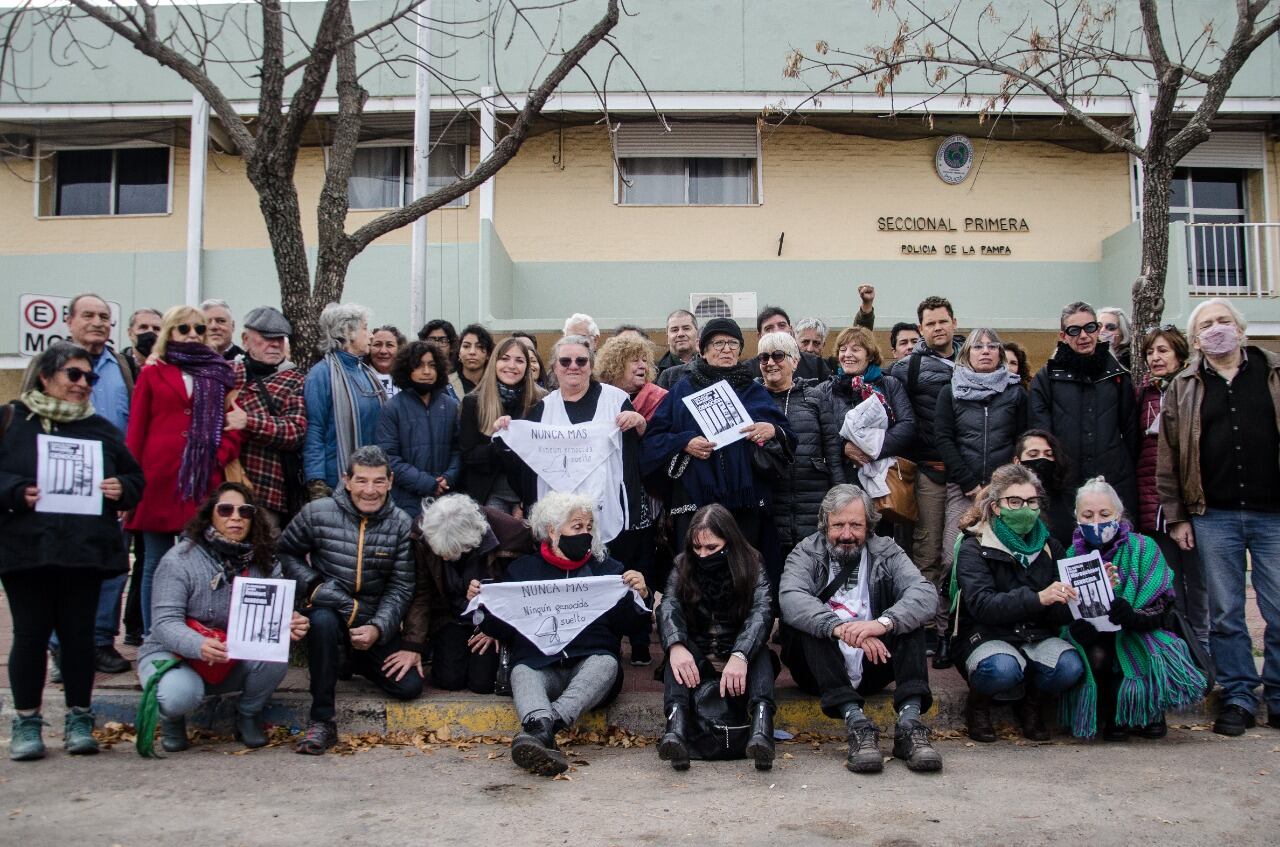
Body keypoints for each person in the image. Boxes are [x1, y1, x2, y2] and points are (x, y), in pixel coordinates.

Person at [1, 343, 145, 761]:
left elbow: (134, 477)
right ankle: (27, 720)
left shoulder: (99, 429)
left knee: (78, 639)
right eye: (74, 375)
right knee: (29, 636)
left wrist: (123, 490)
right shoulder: (13, 422)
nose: (83, 383)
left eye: (89, 377)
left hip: (84, 551)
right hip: (28, 550)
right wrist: (14, 491)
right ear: (46, 376)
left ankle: (80, 717)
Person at [1158, 298, 1280, 736]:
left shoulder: (1273, 373)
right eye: (1206, 325)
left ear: (1241, 328)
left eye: (1223, 321)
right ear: (1195, 340)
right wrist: (1178, 516)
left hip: (1273, 514)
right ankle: (1239, 696)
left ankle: (1278, 694)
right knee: (1226, 611)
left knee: (1278, 608)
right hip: (1214, 515)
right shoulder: (1185, 386)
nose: (1216, 329)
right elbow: (1169, 457)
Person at [476, 491, 649, 776]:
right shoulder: (522, 571)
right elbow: (501, 628)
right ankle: (542, 730)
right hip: (540, 666)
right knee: (521, 672)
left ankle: (543, 728)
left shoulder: (607, 570)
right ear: (552, 530)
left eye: (589, 527)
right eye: (577, 527)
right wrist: (486, 605)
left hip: (589, 669)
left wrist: (641, 595)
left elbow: (630, 626)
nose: (585, 533)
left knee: (606, 663)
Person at [779, 485, 942, 774]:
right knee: (808, 624)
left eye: (855, 525)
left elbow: (925, 594)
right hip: (819, 669)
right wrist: (839, 628)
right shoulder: (806, 552)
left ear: (869, 526)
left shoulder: (887, 551)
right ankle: (856, 724)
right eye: (838, 525)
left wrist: (881, 624)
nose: (846, 534)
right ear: (824, 524)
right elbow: (791, 598)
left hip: (874, 664)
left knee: (908, 620)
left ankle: (909, 724)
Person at [137, 483, 309, 752]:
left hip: (229, 655)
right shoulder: (179, 559)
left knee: (275, 655)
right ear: (210, 515)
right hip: (174, 655)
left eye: (245, 511)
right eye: (226, 510)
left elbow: (273, 616)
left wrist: (290, 620)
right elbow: (164, 623)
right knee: (179, 695)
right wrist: (198, 645)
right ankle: (171, 718)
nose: (236, 517)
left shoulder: (265, 560)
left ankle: (248, 714)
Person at [20, 293, 136, 673]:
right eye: (88, 315)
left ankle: (101, 641)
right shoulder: (49, 363)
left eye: (104, 316)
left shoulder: (120, 366)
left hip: (105, 490)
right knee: (58, 570)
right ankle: (58, 649)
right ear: (69, 321)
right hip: (54, 492)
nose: (98, 322)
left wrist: (126, 483)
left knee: (109, 569)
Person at [279, 446, 420, 754]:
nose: (370, 490)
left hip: (369, 621)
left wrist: (379, 629)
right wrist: (314, 586)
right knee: (324, 622)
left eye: (378, 481)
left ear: (391, 481)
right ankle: (322, 721)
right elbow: (286, 552)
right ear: (346, 480)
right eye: (362, 481)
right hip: (326, 612)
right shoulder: (318, 512)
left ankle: (350, 659)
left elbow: (401, 585)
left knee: (409, 686)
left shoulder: (399, 523)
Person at [1059, 477, 1206, 740]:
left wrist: (1132, 615)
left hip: (1140, 630)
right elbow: (1065, 610)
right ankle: (1114, 714)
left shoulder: (1144, 547)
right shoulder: (1071, 555)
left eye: (1104, 514)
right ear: (1077, 517)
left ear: (1118, 513)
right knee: (1095, 655)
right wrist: (1078, 625)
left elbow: (1162, 603)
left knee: (1141, 646)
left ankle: (1150, 711)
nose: (1096, 522)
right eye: (1088, 514)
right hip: (1099, 637)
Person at [127, 305, 243, 635]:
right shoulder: (153, 372)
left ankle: (194, 636)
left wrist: (217, 455)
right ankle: (155, 638)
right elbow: (136, 428)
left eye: (198, 329)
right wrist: (131, 480)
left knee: (202, 561)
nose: (192, 334)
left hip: (204, 478)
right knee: (155, 563)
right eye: (183, 328)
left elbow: (234, 423)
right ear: (169, 332)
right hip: (158, 478)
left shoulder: (221, 372)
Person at [951, 463, 1084, 743]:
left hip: (1037, 634)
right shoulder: (974, 546)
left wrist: (1084, 590)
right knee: (1001, 668)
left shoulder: (1051, 547)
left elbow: (1061, 616)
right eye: (1015, 501)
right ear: (996, 506)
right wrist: (1038, 598)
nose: (1025, 508)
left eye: (1031, 501)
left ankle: (1031, 704)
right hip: (986, 635)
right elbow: (982, 605)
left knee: (1070, 666)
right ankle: (979, 705)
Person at [641, 317, 794, 550]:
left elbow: (789, 437)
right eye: (718, 343)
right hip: (694, 500)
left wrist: (771, 430)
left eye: (733, 343)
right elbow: (653, 440)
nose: (726, 349)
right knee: (697, 569)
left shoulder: (753, 390)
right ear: (703, 351)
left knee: (745, 571)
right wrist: (684, 441)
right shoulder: (683, 389)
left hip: (747, 502)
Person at [656, 504, 776, 771]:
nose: (702, 554)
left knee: (762, 656)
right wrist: (675, 644)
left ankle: (762, 731)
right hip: (698, 656)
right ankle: (675, 731)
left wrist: (740, 653)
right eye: (697, 548)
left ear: (729, 542)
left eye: (711, 548)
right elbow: (669, 605)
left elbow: (762, 611)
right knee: (674, 658)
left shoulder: (751, 563)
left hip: (737, 655)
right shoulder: (682, 563)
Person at [934, 327, 1026, 642]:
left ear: (1000, 353)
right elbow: (944, 439)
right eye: (977, 346)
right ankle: (947, 633)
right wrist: (971, 483)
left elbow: (1023, 440)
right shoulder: (951, 391)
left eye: (991, 346)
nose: (985, 351)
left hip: (1005, 493)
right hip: (964, 490)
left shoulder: (1015, 392)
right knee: (951, 557)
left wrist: (1001, 484)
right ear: (967, 354)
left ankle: (1001, 630)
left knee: (1004, 558)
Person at [889, 296, 964, 665]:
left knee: (957, 555)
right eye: (930, 323)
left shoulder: (974, 359)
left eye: (943, 321)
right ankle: (930, 630)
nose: (938, 328)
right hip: (930, 472)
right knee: (927, 553)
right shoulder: (908, 367)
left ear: (954, 322)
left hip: (970, 478)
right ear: (920, 329)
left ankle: (952, 626)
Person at [399, 495, 533, 693]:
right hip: (449, 613)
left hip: (492, 618)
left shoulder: (511, 533)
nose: (444, 557)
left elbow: (522, 590)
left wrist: (499, 626)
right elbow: (422, 592)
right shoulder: (425, 530)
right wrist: (413, 644)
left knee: (483, 683)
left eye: (451, 552)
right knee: (449, 679)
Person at [593, 332, 668, 662]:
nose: (641, 365)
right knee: (607, 570)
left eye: (644, 359)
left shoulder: (657, 399)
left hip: (642, 504)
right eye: (632, 359)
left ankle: (639, 639)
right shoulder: (596, 400)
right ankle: (607, 637)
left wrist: (641, 426)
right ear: (613, 365)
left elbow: (663, 445)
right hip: (605, 504)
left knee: (642, 571)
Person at [1029, 301, 1139, 518]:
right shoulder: (1046, 378)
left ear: (1097, 330)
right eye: (1074, 330)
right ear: (1063, 336)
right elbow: (1040, 433)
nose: (1083, 336)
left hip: (1113, 481)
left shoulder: (1118, 376)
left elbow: (1132, 432)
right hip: (1064, 486)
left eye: (1089, 328)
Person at [1136, 325, 1208, 649]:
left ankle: (1204, 651)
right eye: (1150, 352)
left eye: (1162, 350)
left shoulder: (1196, 390)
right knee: (1168, 584)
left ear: (1179, 353)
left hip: (1193, 504)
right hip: (1154, 506)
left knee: (1199, 585)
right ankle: (1177, 649)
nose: (1155, 357)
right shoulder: (1144, 394)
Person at [758, 332, 843, 570]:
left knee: (812, 570)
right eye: (764, 358)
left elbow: (833, 451)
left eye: (778, 355)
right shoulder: (751, 399)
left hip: (812, 498)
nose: (770, 363)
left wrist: (839, 499)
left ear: (795, 361)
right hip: (771, 502)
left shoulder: (814, 398)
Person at [229, 307, 307, 527]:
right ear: (245, 340)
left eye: (280, 339)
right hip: (225, 486)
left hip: (268, 491)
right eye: (266, 338)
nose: (274, 344)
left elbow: (295, 431)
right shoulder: (227, 373)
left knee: (265, 555)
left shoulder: (294, 379)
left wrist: (247, 421)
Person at [815, 325, 915, 488]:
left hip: (884, 479)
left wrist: (871, 448)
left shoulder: (890, 385)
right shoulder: (825, 390)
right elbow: (817, 433)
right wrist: (843, 447)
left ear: (869, 354)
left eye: (855, 349)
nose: (847, 355)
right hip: (840, 479)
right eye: (843, 349)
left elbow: (907, 425)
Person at [302, 302, 385, 498]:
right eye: (365, 328)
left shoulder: (365, 372)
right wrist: (316, 480)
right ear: (347, 332)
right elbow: (314, 429)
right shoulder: (321, 374)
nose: (371, 335)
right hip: (336, 480)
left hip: (371, 479)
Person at [459, 336, 546, 515]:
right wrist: (498, 443)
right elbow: (468, 456)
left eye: (519, 360)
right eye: (505, 359)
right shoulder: (473, 402)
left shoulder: (542, 402)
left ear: (527, 367)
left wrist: (524, 503)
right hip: (488, 496)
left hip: (531, 497)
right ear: (494, 363)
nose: (512, 366)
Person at [376, 340, 460, 516]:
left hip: (446, 500)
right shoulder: (393, 408)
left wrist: (449, 476)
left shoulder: (451, 406)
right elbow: (389, 457)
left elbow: (459, 449)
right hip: (405, 502)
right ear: (407, 369)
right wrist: (427, 483)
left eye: (432, 365)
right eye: (419, 365)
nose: (427, 371)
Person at [1011, 429, 1074, 548]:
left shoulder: (1069, 498)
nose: (1042, 459)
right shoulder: (1006, 498)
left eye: (1049, 454)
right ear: (1017, 462)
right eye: (1033, 454)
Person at [747, 306, 831, 382]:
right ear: (759, 335)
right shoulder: (749, 369)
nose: (777, 331)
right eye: (769, 328)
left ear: (790, 330)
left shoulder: (815, 363)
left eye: (782, 325)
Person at [451, 323, 494, 397]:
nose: (472, 352)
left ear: (488, 354)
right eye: (466, 346)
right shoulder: (447, 385)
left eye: (479, 346)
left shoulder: (496, 385)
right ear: (459, 353)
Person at [365, 325, 406, 399]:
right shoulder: (359, 377)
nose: (383, 351)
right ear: (369, 348)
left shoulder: (408, 379)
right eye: (377, 344)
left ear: (400, 349)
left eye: (389, 345)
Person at [122, 307, 163, 379]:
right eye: (143, 327)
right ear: (130, 333)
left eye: (156, 329)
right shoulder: (118, 365)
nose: (150, 332)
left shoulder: (169, 366)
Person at [659, 309, 699, 376]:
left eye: (686, 328)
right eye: (675, 330)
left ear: (697, 334)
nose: (680, 334)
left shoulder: (711, 365)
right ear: (667, 337)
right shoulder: (655, 372)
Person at [1098, 306, 1133, 371]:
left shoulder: (1131, 359)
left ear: (1123, 332)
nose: (1102, 330)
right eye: (1099, 326)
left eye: (1110, 327)